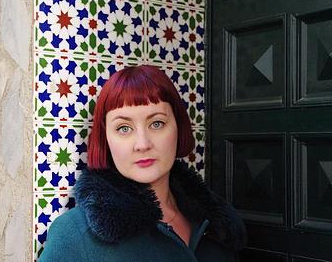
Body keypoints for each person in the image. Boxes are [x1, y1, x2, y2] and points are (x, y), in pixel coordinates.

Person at [39, 65, 246, 262]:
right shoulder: (75, 233)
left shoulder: (220, 226)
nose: (142, 144)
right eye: (124, 128)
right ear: (106, 139)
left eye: (157, 123)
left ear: (178, 127)